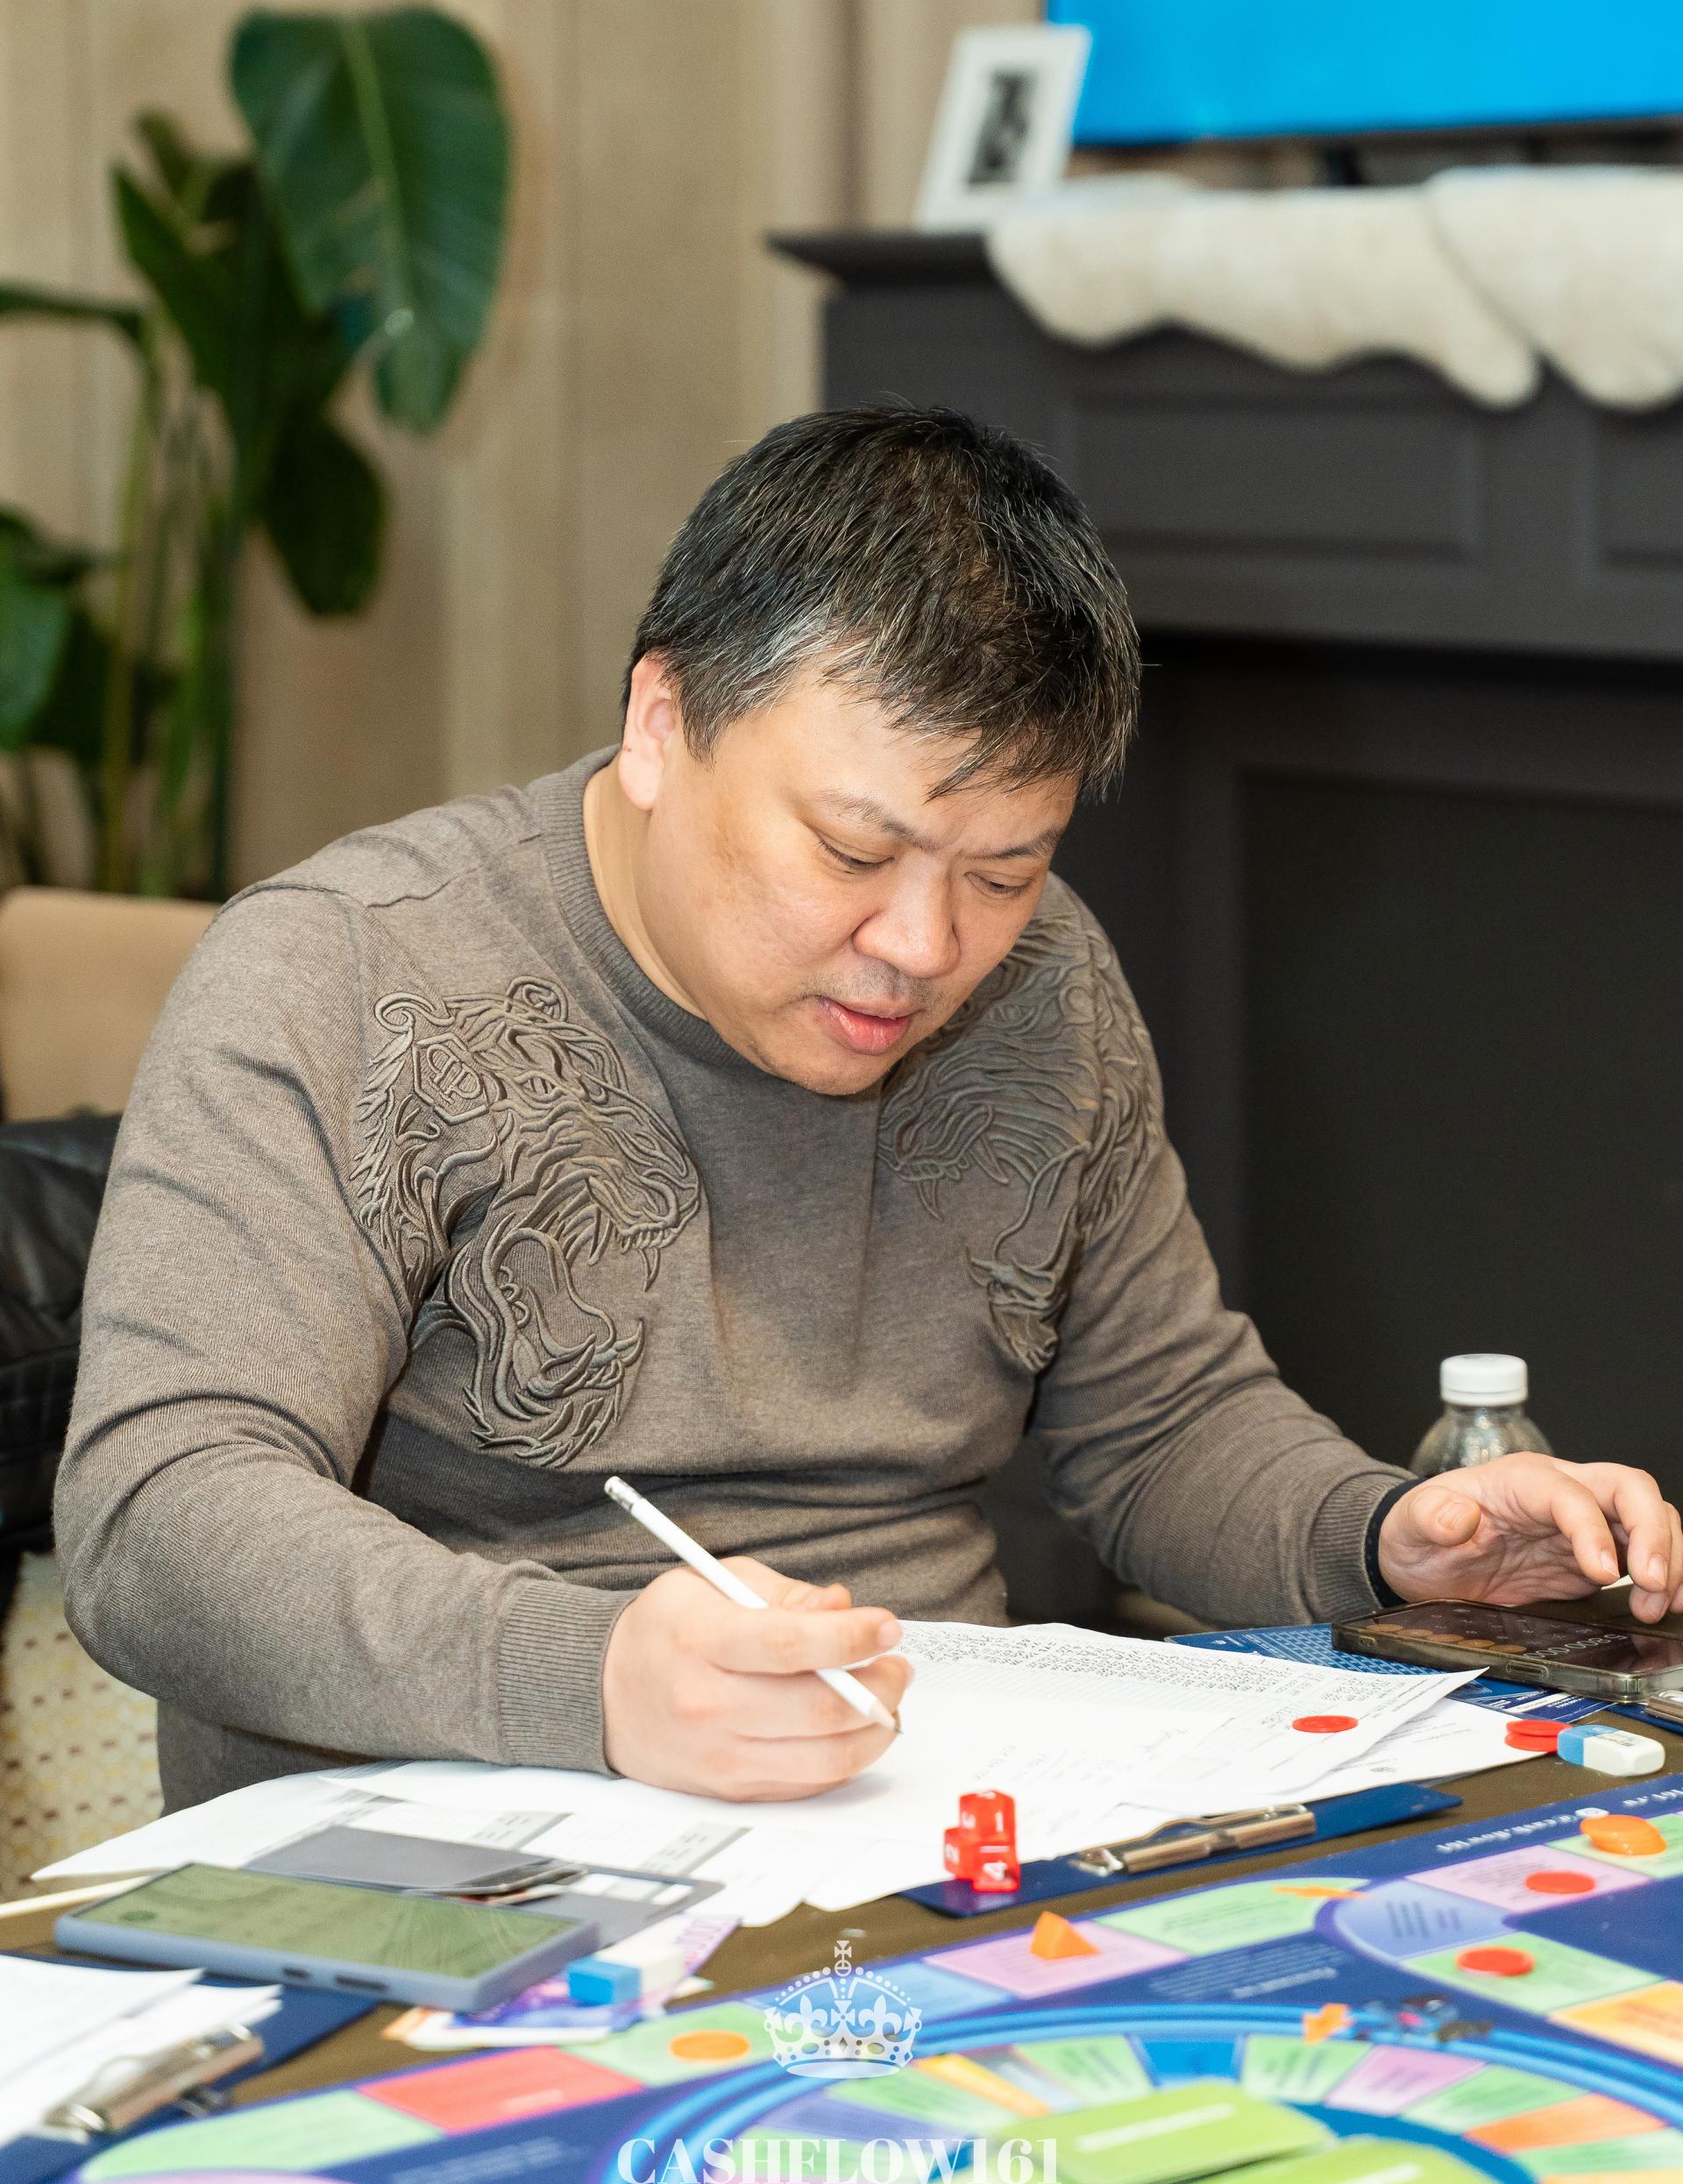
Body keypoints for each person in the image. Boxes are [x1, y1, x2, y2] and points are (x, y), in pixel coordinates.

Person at [58, 406, 1683, 1815]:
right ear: (659, 726)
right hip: (454, 1836)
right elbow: (160, 1515)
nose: (922, 947)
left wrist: (1386, 1537)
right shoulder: (348, 976)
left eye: (1004, 870)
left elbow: (1163, 1423)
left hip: (926, 1808)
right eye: (851, 852)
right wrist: (588, 1678)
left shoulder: (1041, 985)